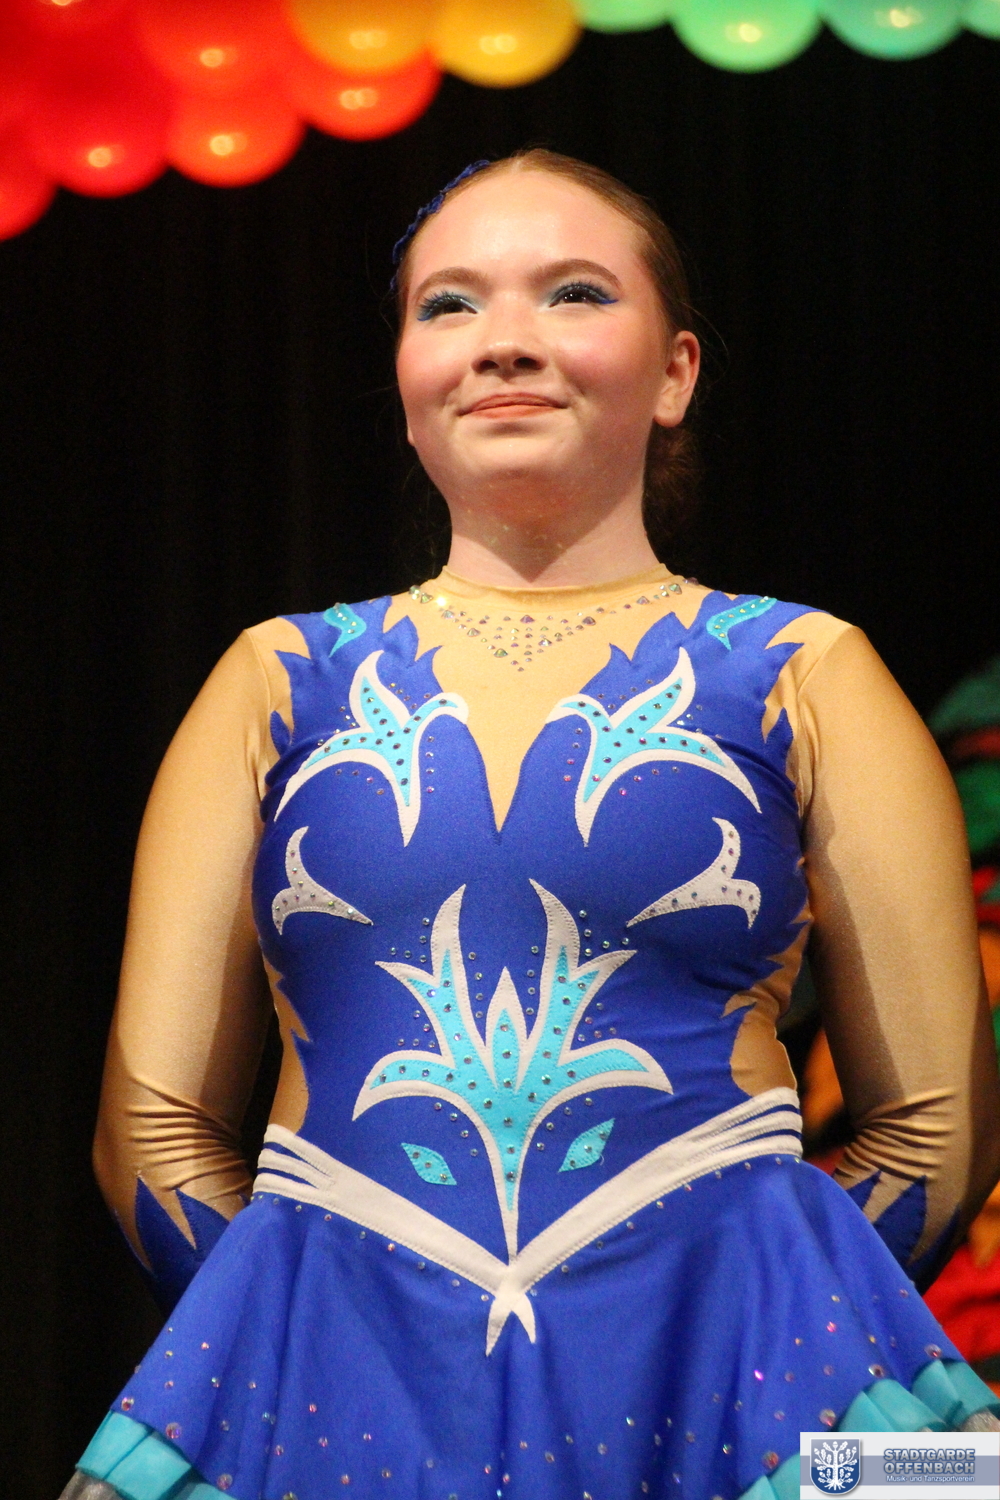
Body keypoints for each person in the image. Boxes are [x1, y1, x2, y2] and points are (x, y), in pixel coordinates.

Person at [62, 151, 1000, 1500]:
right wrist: (335, 1362)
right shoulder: (279, 679)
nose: (503, 341)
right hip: (337, 1409)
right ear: (403, 384)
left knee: (941, 1478)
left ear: (674, 372)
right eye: (448, 305)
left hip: (745, 1403)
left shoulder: (807, 671)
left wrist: (738, 1342)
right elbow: (149, 1136)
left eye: (573, 293)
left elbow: (933, 1134)